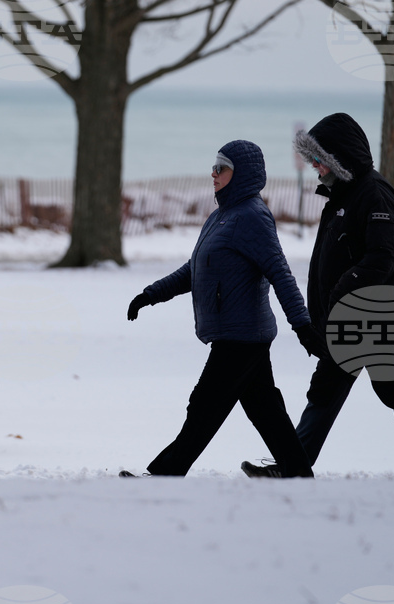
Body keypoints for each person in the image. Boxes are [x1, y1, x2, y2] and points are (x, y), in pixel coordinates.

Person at [241, 113, 394, 479]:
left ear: (340, 159)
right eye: (314, 161)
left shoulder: (373, 194)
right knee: (327, 390)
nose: (317, 168)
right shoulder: (344, 194)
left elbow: (382, 257)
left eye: (321, 160)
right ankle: (295, 464)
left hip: (375, 314)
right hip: (349, 316)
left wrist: (341, 288)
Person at [123, 140, 322, 478]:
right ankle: (297, 471)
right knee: (264, 408)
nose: (213, 173)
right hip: (240, 334)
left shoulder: (253, 218)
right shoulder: (221, 217)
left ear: (241, 173)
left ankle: (164, 474)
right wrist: (151, 294)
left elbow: (281, 274)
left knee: (204, 406)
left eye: (222, 167)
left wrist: (302, 326)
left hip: (243, 335)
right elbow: (196, 268)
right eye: (214, 166)